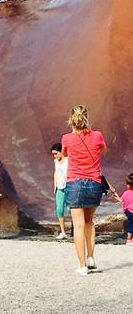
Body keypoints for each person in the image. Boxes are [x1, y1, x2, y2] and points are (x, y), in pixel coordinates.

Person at [61, 105, 107, 275]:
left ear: (71, 120)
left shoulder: (66, 138)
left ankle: (82, 266)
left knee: (78, 225)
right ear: (87, 118)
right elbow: (103, 150)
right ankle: (91, 258)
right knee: (89, 222)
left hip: (75, 183)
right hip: (94, 183)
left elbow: (65, 154)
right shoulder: (97, 136)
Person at [50, 143, 70, 240]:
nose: (55, 156)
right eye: (53, 154)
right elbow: (55, 172)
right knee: (59, 209)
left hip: (69, 187)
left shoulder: (68, 160)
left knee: (72, 209)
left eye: (56, 153)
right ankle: (63, 232)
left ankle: (78, 230)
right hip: (60, 187)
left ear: (61, 151)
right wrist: (55, 185)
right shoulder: (55, 161)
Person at [114, 174, 133, 245]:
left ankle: (130, 239)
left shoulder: (126, 193)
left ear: (129, 185)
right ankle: (129, 240)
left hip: (128, 211)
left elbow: (121, 200)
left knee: (131, 224)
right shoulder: (127, 193)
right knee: (131, 224)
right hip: (131, 211)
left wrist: (115, 196)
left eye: (127, 184)